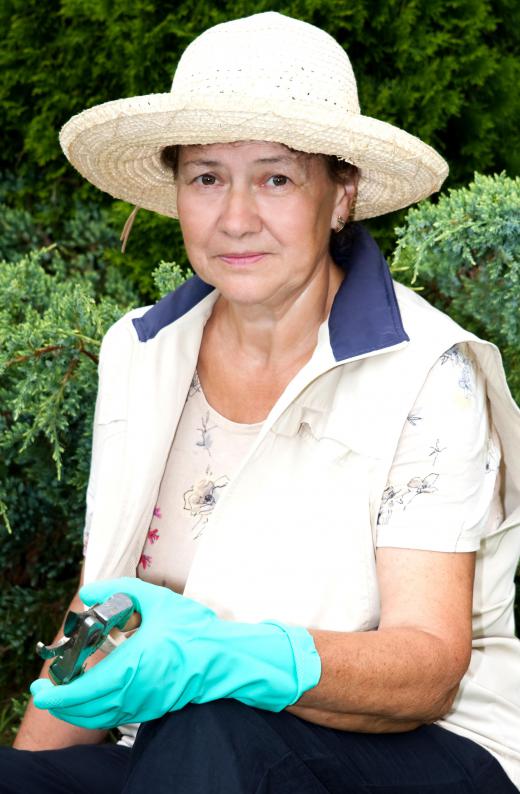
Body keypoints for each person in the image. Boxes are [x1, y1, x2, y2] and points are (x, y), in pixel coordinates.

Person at [1, 11, 519, 794]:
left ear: (340, 195)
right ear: (177, 193)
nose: (235, 218)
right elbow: (106, 601)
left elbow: (427, 672)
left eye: (276, 177)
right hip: (196, 752)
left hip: (435, 752)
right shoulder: (138, 350)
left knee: (216, 726)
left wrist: (229, 655)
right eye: (207, 177)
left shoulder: (427, 369)